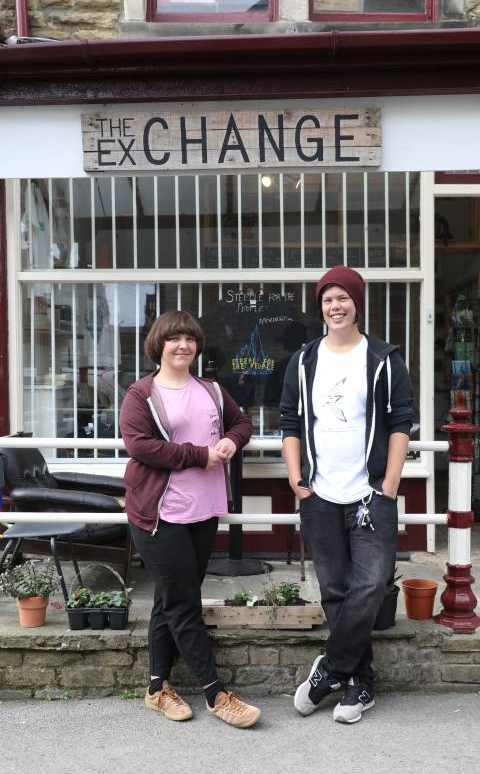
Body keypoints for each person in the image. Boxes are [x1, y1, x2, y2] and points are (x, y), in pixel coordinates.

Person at [279, 266, 413, 724]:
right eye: (327, 300)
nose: (335, 306)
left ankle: (330, 667)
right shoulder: (303, 360)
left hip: (370, 493)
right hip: (319, 493)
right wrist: (298, 479)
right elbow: (291, 424)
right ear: (320, 307)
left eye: (343, 298)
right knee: (335, 589)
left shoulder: (383, 358)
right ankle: (358, 682)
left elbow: (400, 424)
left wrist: (389, 485)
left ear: (357, 303)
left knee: (371, 585)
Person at [119, 310, 260, 729]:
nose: (183, 345)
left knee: (170, 598)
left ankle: (156, 687)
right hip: (160, 514)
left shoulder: (212, 390)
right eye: (173, 339)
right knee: (184, 603)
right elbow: (141, 446)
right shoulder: (140, 395)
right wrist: (202, 454)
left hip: (203, 510)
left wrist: (232, 442)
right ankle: (216, 693)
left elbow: (242, 422)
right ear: (158, 345)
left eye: (190, 339)